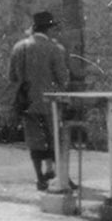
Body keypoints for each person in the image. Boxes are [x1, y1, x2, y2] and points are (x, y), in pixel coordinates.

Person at [9, 11, 69, 191]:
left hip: (27, 101)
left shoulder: (19, 48)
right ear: (49, 29)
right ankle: (60, 176)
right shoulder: (55, 49)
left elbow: (12, 76)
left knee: (34, 139)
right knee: (54, 138)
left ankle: (40, 177)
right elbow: (62, 79)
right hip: (50, 102)